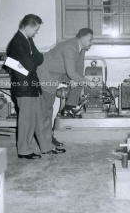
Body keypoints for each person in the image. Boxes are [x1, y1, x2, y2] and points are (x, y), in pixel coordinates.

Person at [7, 14, 66, 159]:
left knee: (42, 117)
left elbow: (39, 59)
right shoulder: (17, 43)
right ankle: (24, 151)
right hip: (24, 87)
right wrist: (29, 62)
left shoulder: (28, 39)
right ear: (28, 27)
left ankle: (47, 147)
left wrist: (29, 61)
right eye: (36, 30)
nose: (36, 33)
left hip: (33, 85)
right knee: (27, 120)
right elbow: (30, 64)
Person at [37, 28, 93, 145]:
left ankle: (68, 107)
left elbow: (79, 69)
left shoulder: (81, 48)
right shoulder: (70, 47)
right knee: (47, 108)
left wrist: (78, 80)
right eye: (90, 40)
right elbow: (72, 73)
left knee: (80, 80)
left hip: (60, 72)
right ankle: (47, 139)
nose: (91, 43)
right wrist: (88, 82)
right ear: (82, 39)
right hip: (47, 75)